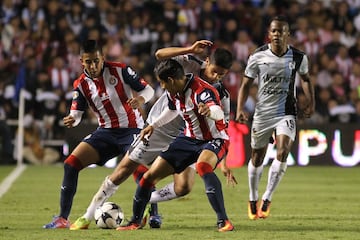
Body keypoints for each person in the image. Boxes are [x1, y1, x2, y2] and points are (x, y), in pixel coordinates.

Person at [69, 40, 236, 230]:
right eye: (214, 71)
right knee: (126, 168)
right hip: (164, 129)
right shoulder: (187, 66)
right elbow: (160, 56)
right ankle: (90, 214)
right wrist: (189, 49)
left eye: (221, 75)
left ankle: (149, 203)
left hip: (194, 135)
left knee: (184, 187)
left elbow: (221, 119)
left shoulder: (216, 92)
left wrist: (221, 158)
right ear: (207, 62)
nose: (215, 77)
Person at [43, 39, 155, 229]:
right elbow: (77, 114)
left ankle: (153, 214)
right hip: (105, 132)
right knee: (71, 164)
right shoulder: (81, 84)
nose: (93, 65)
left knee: (139, 168)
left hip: (132, 129)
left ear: (102, 58)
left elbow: (148, 89)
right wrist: (72, 118)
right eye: (88, 62)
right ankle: (63, 218)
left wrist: (141, 99)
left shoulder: (120, 70)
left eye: (96, 60)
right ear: (81, 61)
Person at [117, 59, 234, 232]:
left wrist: (210, 111)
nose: (162, 87)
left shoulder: (202, 91)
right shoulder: (175, 90)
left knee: (203, 166)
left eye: (163, 83)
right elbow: (172, 110)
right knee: (149, 177)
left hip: (215, 138)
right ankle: (135, 222)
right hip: (188, 139)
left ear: (171, 80)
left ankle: (223, 222)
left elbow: (216, 109)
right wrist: (153, 125)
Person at [235, 15, 315, 220]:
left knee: (283, 151)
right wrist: (240, 109)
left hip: (286, 111)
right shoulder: (257, 56)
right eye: (274, 31)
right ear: (269, 34)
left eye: (281, 31)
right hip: (262, 113)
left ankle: (267, 197)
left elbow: (305, 79)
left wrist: (310, 101)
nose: (277, 34)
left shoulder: (298, 57)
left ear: (288, 34)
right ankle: (252, 198)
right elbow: (245, 84)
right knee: (257, 157)